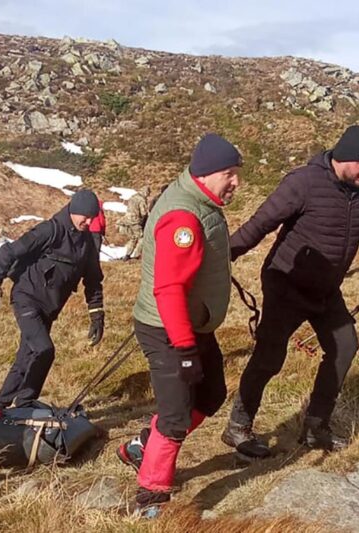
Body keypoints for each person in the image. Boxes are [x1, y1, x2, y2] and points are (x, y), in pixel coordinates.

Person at [221, 125, 359, 458]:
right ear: (345, 158)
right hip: (286, 284)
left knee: (344, 347)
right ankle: (238, 426)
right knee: (270, 358)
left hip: (326, 289)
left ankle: (315, 427)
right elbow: (260, 223)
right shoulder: (303, 182)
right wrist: (223, 254)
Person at [116, 133, 242, 514]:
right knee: (174, 416)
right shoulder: (184, 218)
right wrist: (185, 349)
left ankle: (142, 447)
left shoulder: (200, 201)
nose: (236, 182)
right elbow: (168, 289)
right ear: (205, 174)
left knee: (211, 394)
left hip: (192, 326)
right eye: (230, 174)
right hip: (170, 330)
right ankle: (150, 498)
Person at [0, 189, 105, 410]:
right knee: (44, 349)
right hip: (26, 298)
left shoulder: (88, 243)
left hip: (50, 307)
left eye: (92, 217)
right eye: (84, 216)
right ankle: (25, 402)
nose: (88, 222)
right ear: (73, 210)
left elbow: (93, 280)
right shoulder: (50, 230)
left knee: (26, 357)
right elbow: (8, 252)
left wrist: (97, 315)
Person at [117, 186, 151, 260]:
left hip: (127, 220)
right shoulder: (142, 199)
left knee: (133, 237)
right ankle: (137, 255)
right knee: (142, 237)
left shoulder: (132, 197)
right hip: (135, 221)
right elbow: (143, 213)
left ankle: (127, 254)